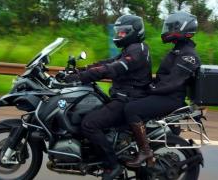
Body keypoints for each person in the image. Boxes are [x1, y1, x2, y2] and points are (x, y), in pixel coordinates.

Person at [64, 15, 152, 180]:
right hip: (123, 97)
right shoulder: (131, 48)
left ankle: (112, 165)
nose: (119, 35)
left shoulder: (137, 50)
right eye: (119, 32)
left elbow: (113, 68)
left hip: (128, 99)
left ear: (134, 32)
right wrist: (81, 71)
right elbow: (107, 63)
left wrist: (82, 77)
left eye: (123, 33)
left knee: (89, 124)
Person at [123, 11, 201, 168]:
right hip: (166, 95)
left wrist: (151, 88)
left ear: (183, 29)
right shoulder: (178, 50)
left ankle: (145, 151)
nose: (167, 30)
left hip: (170, 99)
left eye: (172, 27)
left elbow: (172, 82)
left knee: (131, 109)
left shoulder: (188, 55)